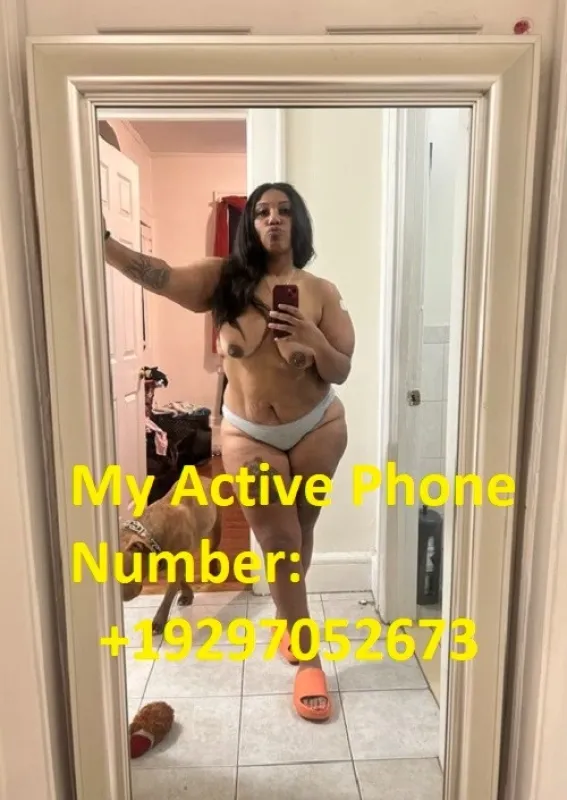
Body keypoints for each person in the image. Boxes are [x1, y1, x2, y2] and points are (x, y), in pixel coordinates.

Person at [103, 182, 355, 722]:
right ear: (250, 224)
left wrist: (311, 335)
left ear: (299, 223)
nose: (273, 219)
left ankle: (288, 618)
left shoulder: (320, 291)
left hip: (318, 428)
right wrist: (104, 244)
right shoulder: (224, 280)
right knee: (280, 540)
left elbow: (341, 369)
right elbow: (161, 275)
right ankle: (307, 654)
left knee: (301, 530)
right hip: (249, 435)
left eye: (284, 211)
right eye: (262, 212)